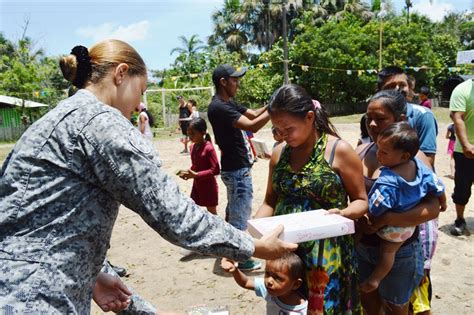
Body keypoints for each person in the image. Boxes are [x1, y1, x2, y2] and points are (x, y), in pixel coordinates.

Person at [0, 40, 298, 313]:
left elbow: (45, 218)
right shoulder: (101, 123)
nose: (137, 106)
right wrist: (254, 246)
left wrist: (95, 273)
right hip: (37, 297)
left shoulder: (57, 118)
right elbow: (173, 213)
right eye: (141, 92)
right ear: (121, 73)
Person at [254, 84, 368, 313]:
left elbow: (361, 201)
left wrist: (343, 213)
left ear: (309, 117)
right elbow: (269, 201)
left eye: (288, 129)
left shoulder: (340, 151)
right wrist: (251, 233)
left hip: (327, 256)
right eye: (277, 130)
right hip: (287, 255)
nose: (283, 136)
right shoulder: (279, 153)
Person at [356, 89, 441, 315]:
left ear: (400, 120)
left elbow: (435, 208)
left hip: (400, 251)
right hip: (363, 247)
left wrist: (389, 218)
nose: (372, 124)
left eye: (381, 118)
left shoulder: (415, 159)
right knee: (369, 304)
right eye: (368, 118)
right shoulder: (361, 151)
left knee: (397, 307)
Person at [361, 122, 446, 294]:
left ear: (403, 156)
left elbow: (378, 206)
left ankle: (375, 279)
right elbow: (437, 186)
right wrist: (443, 202)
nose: (378, 154)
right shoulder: (420, 167)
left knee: (387, 252)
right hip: (409, 227)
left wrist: (374, 220)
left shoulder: (387, 180)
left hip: (390, 230)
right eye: (378, 148)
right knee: (390, 252)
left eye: (384, 152)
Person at [207, 63, 271, 271]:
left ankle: (229, 249)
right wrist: (276, 109)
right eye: (234, 80)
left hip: (236, 168)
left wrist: (270, 106)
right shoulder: (219, 107)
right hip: (236, 170)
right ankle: (242, 258)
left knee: (234, 211)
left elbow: (252, 114)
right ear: (223, 82)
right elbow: (252, 125)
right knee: (240, 216)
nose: (238, 83)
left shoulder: (228, 102)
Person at [377, 65, 438, 167]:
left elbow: (427, 160)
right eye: (391, 86)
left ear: (409, 88)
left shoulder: (423, 116)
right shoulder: (374, 117)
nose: (397, 89)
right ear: (380, 91)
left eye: (402, 85)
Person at [221, 252, 307, 314]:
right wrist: (235, 270)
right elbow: (246, 282)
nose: (269, 281)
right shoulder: (269, 291)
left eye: (277, 278)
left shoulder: (304, 310)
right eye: (267, 273)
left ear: (296, 284)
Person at [178, 117, 220, 215]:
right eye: (189, 133)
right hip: (197, 186)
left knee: (212, 215)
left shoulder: (209, 148)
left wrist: (196, 175)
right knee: (193, 211)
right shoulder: (192, 147)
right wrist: (188, 172)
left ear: (203, 133)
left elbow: (216, 170)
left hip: (209, 187)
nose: (190, 136)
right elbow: (195, 165)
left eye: (193, 133)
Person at [449, 78, 474, 236]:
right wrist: (465, 145)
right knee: (462, 189)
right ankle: (459, 219)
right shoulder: (462, 90)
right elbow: (457, 118)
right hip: (465, 151)